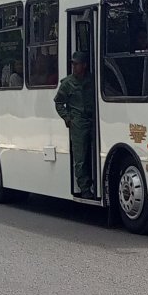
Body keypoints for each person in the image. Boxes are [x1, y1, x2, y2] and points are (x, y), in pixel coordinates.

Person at [54, 51, 95, 199]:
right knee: (80, 157)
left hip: (93, 120)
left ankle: (94, 182)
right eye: (73, 64)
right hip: (77, 122)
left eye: (76, 64)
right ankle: (84, 188)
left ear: (84, 65)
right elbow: (58, 103)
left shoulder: (92, 80)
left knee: (94, 153)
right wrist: (67, 118)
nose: (74, 67)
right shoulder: (67, 83)